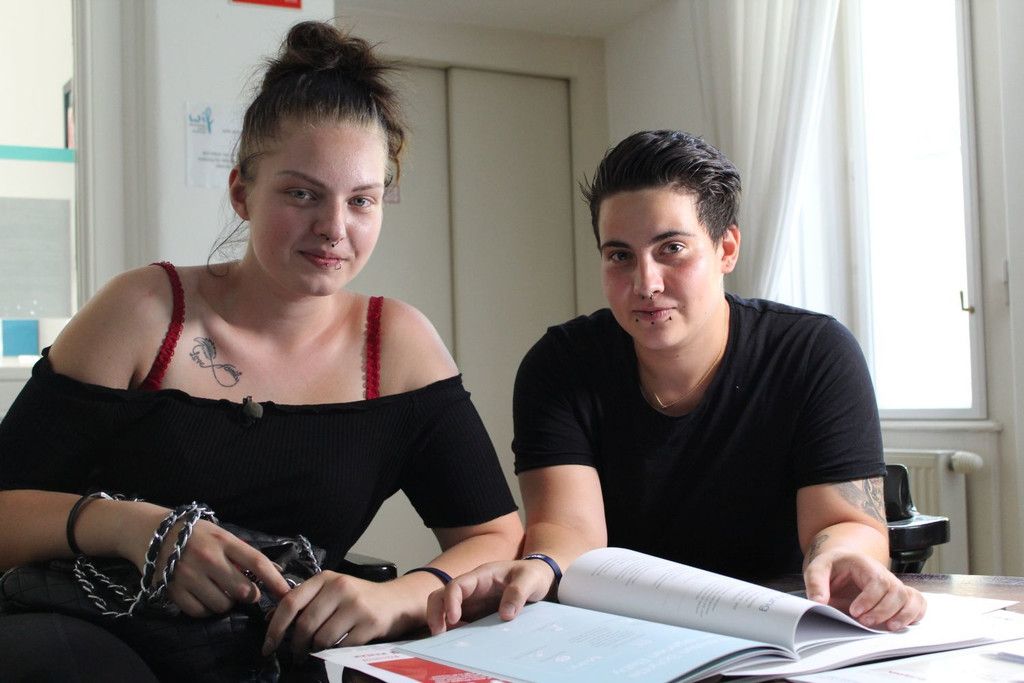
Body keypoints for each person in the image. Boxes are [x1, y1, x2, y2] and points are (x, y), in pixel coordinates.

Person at [0, 21, 522, 679]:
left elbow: (494, 534)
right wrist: (134, 528)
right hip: (99, 636)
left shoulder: (396, 345)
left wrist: (398, 597)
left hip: (279, 655)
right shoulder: (144, 312)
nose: (334, 228)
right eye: (302, 193)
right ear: (241, 193)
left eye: (361, 200)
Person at [428, 129, 926, 637]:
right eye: (619, 256)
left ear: (726, 248)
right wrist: (542, 566)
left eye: (672, 249)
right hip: (624, 631)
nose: (645, 284)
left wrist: (844, 557)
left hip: (779, 629)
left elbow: (843, 522)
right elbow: (568, 529)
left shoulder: (814, 353)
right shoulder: (560, 365)